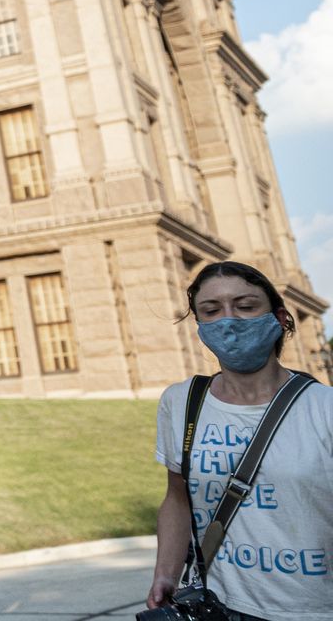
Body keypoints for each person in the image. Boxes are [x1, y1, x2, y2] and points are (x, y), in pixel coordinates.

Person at [146, 261, 332, 619]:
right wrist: (166, 572)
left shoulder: (324, 408)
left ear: (279, 318)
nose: (228, 320)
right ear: (199, 325)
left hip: (313, 608)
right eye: (211, 311)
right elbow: (177, 498)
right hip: (218, 605)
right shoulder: (181, 401)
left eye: (246, 307)